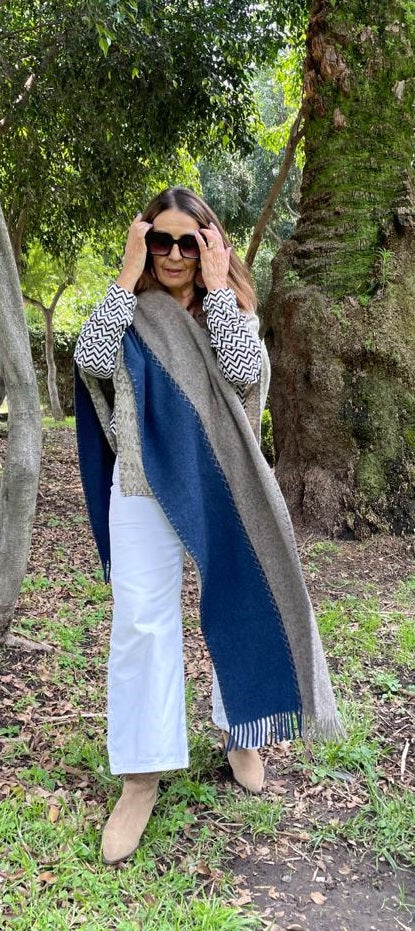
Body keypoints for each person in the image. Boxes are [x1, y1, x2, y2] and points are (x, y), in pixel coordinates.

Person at [74, 186, 343, 867]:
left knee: (239, 597)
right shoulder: (128, 311)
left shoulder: (231, 309)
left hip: (223, 481)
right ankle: (141, 776)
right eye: (159, 240)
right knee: (142, 622)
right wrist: (125, 273)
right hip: (142, 482)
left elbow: (244, 374)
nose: (172, 254)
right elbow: (92, 361)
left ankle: (241, 731)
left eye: (186, 242)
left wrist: (219, 287)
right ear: (144, 243)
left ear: (208, 244)